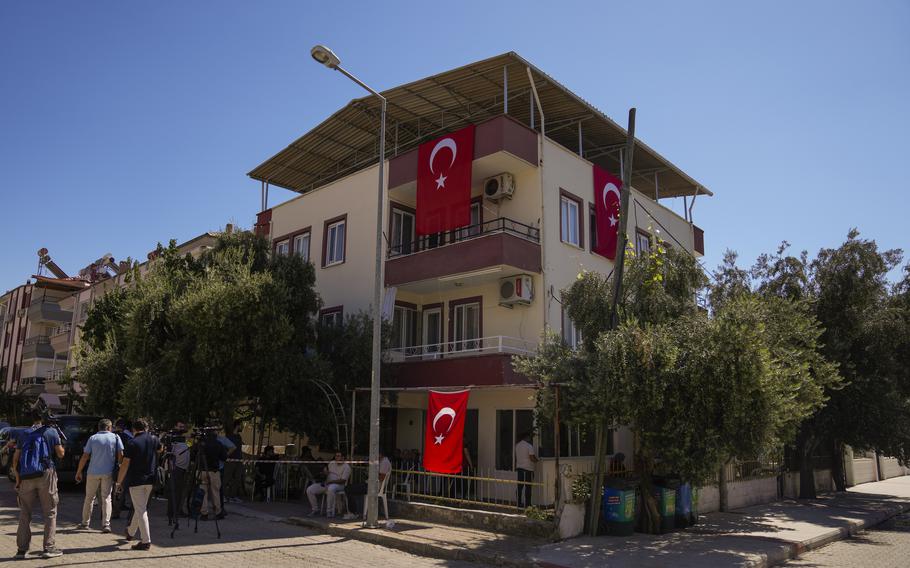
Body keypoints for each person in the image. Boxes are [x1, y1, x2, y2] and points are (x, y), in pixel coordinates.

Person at [11, 408, 65, 560]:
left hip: (26, 475)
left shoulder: (24, 434)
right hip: (46, 473)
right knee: (50, 512)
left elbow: (16, 459)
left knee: (24, 513)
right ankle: (49, 548)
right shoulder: (51, 432)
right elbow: (60, 454)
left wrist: (18, 479)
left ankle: (21, 550)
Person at [115, 418, 161, 551]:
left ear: (134, 429)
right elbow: (160, 449)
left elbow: (125, 464)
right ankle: (130, 531)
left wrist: (119, 481)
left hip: (136, 480)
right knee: (140, 507)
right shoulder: (154, 439)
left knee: (141, 510)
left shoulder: (132, 443)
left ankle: (146, 541)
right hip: (151, 479)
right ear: (146, 428)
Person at [74, 418, 123, 533]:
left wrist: (79, 471)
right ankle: (106, 524)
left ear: (99, 427)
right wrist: (119, 465)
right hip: (108, 472)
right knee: (106, 498)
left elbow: (85, 456)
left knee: (89, 498)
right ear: (109, 427)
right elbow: (121, 454)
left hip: (92, 472)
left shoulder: (93, 438)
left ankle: (85, 523)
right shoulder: (115, 437)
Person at [345, 451, 392, 518]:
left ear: (380, 454)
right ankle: (354, 511)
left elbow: (381, 478)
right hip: (370, 484)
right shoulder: (380, 461)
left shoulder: (385, 462)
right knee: (349, 487)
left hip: (374, 487)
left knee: (348, 489)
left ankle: (354, 512)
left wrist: (372, 473)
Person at [306, 451, 351, 518]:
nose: (337, 458)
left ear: (343, 457)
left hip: (339, 485)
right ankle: (315, 509)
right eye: (336, 456)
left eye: (339, 456)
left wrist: (331, 482)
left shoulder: (346, 467)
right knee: (310, 489)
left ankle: (329, 511)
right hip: (327, 483)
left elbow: (343, 481)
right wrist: (324, 473)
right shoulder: (332, 463)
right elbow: (327, 473)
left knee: (331, 488)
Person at [199, 430, 227, 520]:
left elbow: (194, 455)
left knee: (203, 493)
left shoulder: (202, 444)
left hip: (202, 470)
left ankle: (204, 513)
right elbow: (224, 457)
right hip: (214, 471)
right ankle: (218, 512)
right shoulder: (219, 444)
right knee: (215, 492)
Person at [166, 423, 190, 519]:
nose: (181, 429)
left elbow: (189, 447)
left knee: (180, 491)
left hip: (183, 469)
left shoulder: (185, 440)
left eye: (183, 427)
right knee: (174, 491)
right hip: (175, 468)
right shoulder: (172, 440)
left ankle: (178, 510)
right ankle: (173, 511)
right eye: (179, 427)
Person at [111, 419, 134, 520]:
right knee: (120, 488)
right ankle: (116, 511)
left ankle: (109, 511)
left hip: (112, 464)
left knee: (111, 489)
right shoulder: (129, 438)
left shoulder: (113, 435)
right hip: (122, 465)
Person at [514, 431, 538, 508]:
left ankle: (519, 503)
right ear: (527, 437)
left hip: (520, 469)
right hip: (528, 469)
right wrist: (537, 460)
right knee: (528, 487)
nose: (530, 439)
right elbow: (532, 458)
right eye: (529, 437)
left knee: (520, 487)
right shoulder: (529, 446)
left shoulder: (517, 445)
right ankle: (528, 504)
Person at [223, 420, 244, 502]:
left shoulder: (239, 437)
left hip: (238, 460)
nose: (242, 427)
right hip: (230, 460)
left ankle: (233, 496)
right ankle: (223, 495)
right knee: (227, 478)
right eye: (241, 425)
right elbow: (225, 448)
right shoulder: (229, 437)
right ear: (237, 425)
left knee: (237, 478)